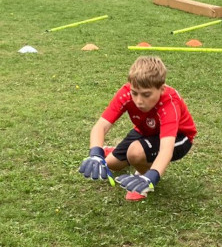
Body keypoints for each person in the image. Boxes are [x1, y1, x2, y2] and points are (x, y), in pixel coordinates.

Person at [78, 56, 197, 201]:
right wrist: (95, 153)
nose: (139, 101)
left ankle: (141, 176)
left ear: (162, 89)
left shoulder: (169, 103)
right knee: (111, 164)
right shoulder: (126, 93)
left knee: (135, 152)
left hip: (179, 137)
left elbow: (166, 149)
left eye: (146, 95)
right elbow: (101, 126)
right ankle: (114, 152)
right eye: (135, 93)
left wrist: (151, 176)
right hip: (146, 131)